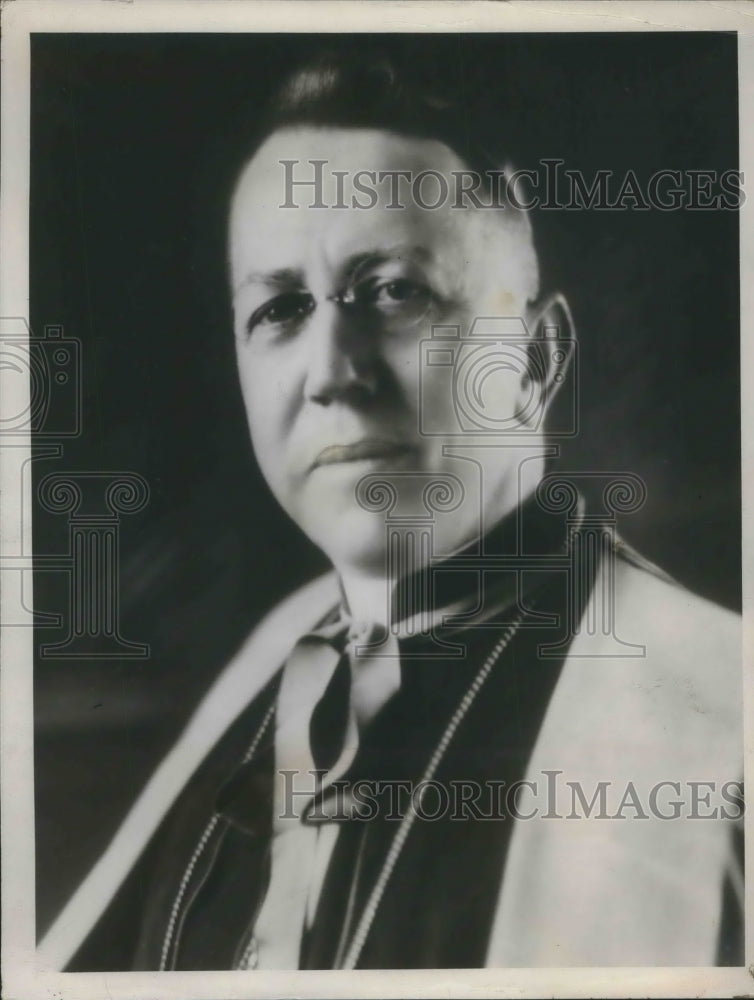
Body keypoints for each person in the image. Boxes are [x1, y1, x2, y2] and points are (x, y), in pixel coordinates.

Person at [39, 51, 742, 971]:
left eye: (395, 292)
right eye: (282, 308)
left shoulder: (721, 718)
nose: (333, 371)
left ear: (536, 358)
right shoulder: (278, 658)